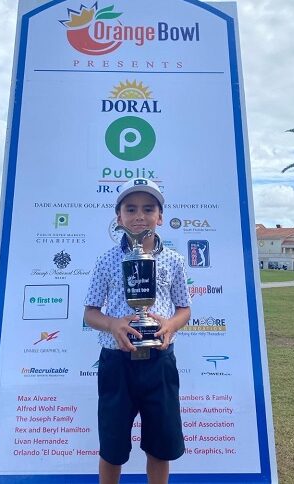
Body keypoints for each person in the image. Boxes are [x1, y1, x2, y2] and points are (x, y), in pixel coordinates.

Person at [84, 178, 191, 484]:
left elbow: (185, 309)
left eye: (148, 208)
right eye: (131, 209)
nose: (139, 215)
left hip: (159, 362)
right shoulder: (106, 260)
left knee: (160, 446)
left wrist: (169, 325)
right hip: (117, 364)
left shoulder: (174, 260)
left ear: (160, 215)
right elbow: (90, 313)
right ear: (119, 217)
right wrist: (113, 324)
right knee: (112, 447)